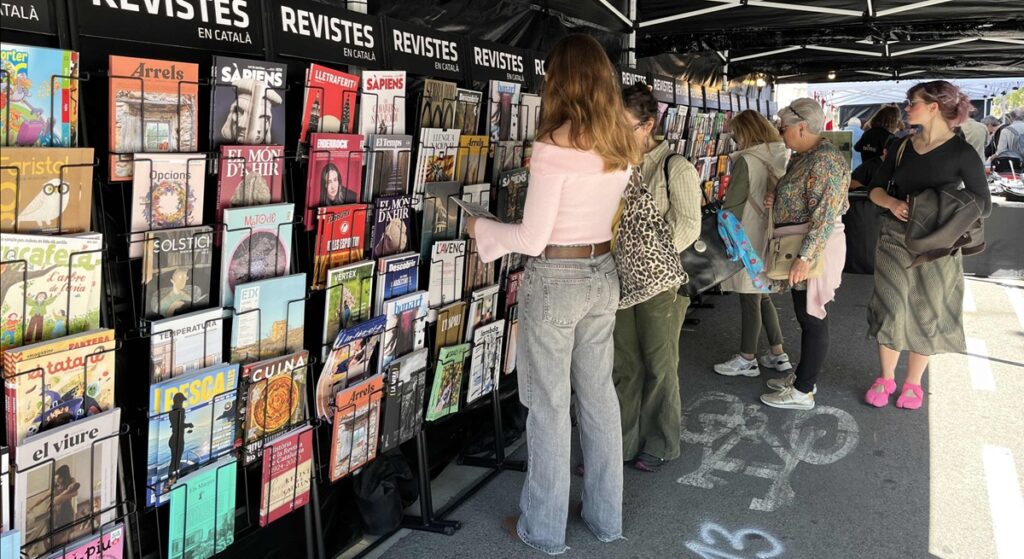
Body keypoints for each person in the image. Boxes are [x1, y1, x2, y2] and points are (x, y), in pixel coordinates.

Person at [466, 33, 638, 554]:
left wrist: (481, 230)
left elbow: (532, 239)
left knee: (547, 406)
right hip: (603, 272)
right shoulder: (620, 144)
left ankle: (543, 528)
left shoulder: (554, 146)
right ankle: (606, 518)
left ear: (558, 82)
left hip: (557, 280)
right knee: (598, 397)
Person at [865, 81, 991, 409]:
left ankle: (912, 384)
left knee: (927, 309)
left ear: (934, 107)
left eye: (914, 103)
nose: (908, 108)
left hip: (939, 244)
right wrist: (892, 204)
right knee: (891, 305)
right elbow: (875, 188)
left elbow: (983, 202)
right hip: (895, 236)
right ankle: (886, 377)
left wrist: (939, 206)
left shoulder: (962, 152)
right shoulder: (901, 146)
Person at [611, 84, 701, 473]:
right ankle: (620, 442)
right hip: (618, 281)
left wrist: (650, 261)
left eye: (624, 126)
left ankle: (661, 442)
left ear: (648, 125)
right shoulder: (613, 163)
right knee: (623, 366)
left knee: (660, 364)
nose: (615, 133)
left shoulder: (673, 166)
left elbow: (689, 226)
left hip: (659, 284)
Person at [759, 98, 849, 410]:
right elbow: (802, 196)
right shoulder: (807, 155)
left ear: (801, 127)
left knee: (812, 316)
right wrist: (779, 197)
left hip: (812, 247)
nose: (780, 133)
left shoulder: (823, 161)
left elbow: (824, 215)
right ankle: (801, 378)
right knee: (806, 314)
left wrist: (806, 257)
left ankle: (803, 390)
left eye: (782, 128)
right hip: (804, 244)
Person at [714, 110, 792, 377]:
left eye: (735, 132)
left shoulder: (748, 160)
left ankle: (747, 358)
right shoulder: (779, 153)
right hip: (770, 233)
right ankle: (777, 353)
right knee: (762, 293)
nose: (733, 137)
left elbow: (732, 206)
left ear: (745, 132)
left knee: (749, 297)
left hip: (746, 236)